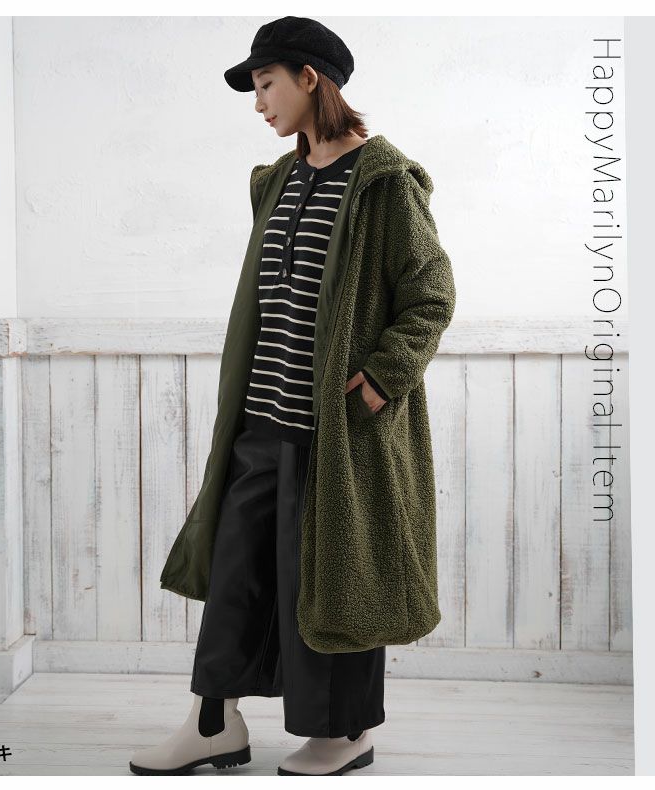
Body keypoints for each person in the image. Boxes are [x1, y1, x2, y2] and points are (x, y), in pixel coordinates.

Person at [131, 15, 456, 777]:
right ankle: (214, 722)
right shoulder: (277, 179)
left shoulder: (384, 182)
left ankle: (346, 733)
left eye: (266, 83)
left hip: (336, 432)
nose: (258, 103)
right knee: (237, 575)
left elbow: (431, 294)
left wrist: (381, 380)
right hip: (261, 419)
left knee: (334, 584)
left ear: (310, 79)